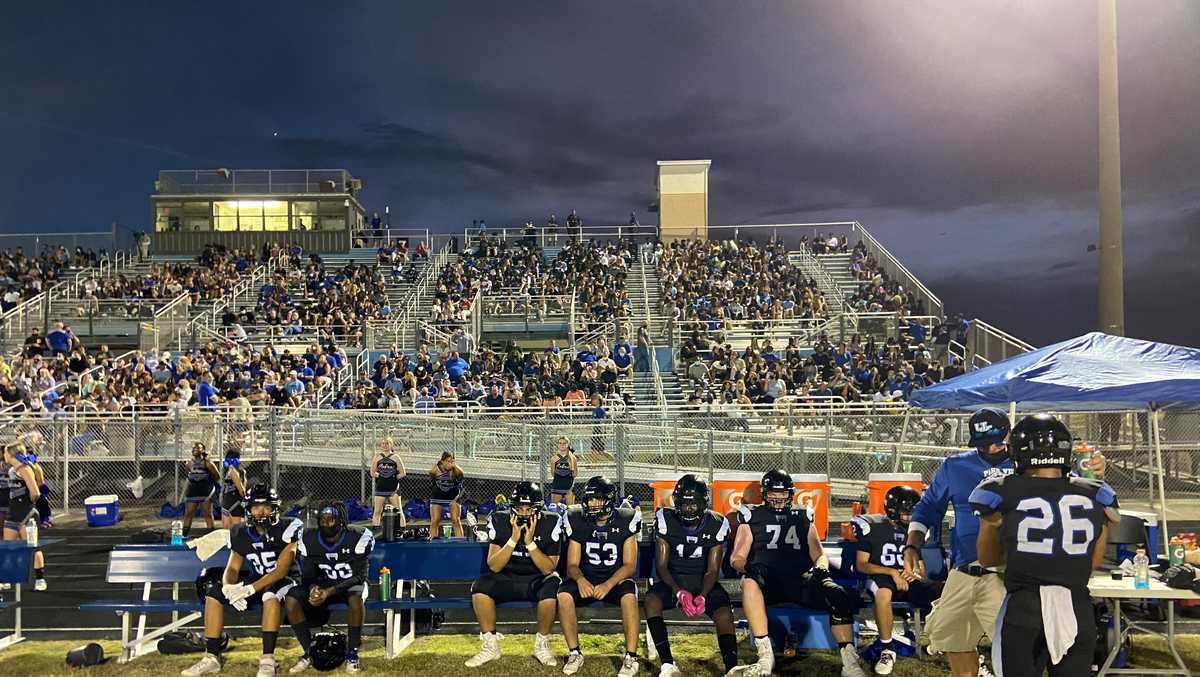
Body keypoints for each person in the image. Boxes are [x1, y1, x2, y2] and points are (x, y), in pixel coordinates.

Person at [904, 407, 1107, 677]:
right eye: (982, 443)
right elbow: (928, 507)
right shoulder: (955, 466)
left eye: (997, 441)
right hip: (964, 570)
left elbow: (1065, 488)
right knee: (952, 637)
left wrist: (1092, 471)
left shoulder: (1029, 465)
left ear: (1012, 437)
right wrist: (912, 544)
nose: (990, 448)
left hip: (1009, 574)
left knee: (1018, 656)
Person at [970, 414, 1119, 677]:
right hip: (1076, 605)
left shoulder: (998, 491)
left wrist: (995, 526)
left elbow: (988, 558)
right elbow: (1094, 562)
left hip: (1026, 607)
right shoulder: (1096, 492)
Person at [730, 469, 867, 677]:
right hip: (768, 582)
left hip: (800, 580)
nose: (777, 498)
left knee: (836, 593)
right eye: (773, 494)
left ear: (790, 493)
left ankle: (849, 660)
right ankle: (765, 657)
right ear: (764, 494)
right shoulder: (752, 516)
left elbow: (818, 554)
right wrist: (749, 568)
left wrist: (822, 568)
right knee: (749, 583)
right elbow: (736, 558)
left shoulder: (803, 515)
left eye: (782, 493)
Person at [182, 483, 302, 677]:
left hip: (287, 581)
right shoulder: (241, 533)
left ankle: (268, 659)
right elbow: (232, 568)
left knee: (270, 595)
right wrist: (229, 588)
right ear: (248, 510)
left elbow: (281, 571)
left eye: (266, 507)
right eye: (255, 507)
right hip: (257, 581)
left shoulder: (288, 528)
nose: (261, 512)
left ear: (275, 508)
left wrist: (249, 590)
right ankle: (211, 656)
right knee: (214, 594)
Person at [645, 474, 737, 676]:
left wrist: (703, 595)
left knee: (723, 613)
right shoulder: (666, 520)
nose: (688, 509)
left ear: (703, 504)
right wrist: (678, 592)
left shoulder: (716, 524)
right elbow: (661, 565)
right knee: (651, 601)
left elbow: (712, 570)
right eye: (684, 504)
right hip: (673, 580)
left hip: (703, 581)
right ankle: (668, 664)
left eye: (693, 505)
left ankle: (732, 667)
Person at [465, 481, 562, 669]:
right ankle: (490, 646)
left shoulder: (551, 521)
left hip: (537, 578)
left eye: (529, 508)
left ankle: (541, 645)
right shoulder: (500, 520)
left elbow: (548, 569)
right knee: (480, 587)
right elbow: (494, 565)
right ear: (512, 507)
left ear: (538, 508)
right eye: (519, 508)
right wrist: (513, 539)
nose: (524, 513)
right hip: (507, 576)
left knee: (553, 586)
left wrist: (529, 542)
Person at [558, 476, 643, 676]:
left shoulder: (626, 519)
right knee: (563, 596)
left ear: (609, 500)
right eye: (589, 499)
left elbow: (630, 566)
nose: (592, 504)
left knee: (629, 596)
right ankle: (575, 652)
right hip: (587, 578)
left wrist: (608, 584)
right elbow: (572, 564)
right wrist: (580, 580)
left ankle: (631, 656)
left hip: (616, 579)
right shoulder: (577, 519)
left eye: (597, 499)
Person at [852, 486, 937, 675]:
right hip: (880, 575)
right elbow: (862, 564)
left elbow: (920, 567)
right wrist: (892, 572)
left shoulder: (915, 533)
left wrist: (913, 572)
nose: (910, 518)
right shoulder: (873, 528)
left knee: (941, 594)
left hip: (906, 577)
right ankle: (887, 648)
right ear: (892, 510)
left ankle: (941, 639)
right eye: (907, 513)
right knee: (883, 594)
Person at [285, 501, 374, 674]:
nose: (326, 523)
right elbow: (309, 576)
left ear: (341, 521)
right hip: (324, 584)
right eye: (323, 519)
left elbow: (359, 577)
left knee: (355, 601)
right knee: (291, 599)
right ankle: (309, 651)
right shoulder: (310, 540)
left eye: (330, 519)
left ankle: (352, 653)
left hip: (350, 584)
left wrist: (329, 592)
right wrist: (313, 589)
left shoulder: (357, 537)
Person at [4, 440, 46, 591]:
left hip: (26, 513)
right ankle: (7, 578)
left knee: (32, 547)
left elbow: (36, 492)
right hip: (13, 512)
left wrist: (28, 506)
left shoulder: (25, 469)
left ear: (11, 454)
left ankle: (40, 579)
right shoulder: (12, 470)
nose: (3, 455)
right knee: (8, 547)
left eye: (5, 452)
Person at [181, 442, 220, 536]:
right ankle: (184, 535)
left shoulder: (209, 463)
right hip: (193, 491)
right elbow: (189, 474)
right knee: (188, 514)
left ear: (203, 450)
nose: (195, 449)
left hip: (205, 492)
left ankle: (212, 536)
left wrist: (207, 482)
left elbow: (217, 476)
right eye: (194, 448)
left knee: (208, 514)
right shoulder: (188, 463)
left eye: (198, 448)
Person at [370, 437, 407, 530]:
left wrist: (394, 477)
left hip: (393, 489)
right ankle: (376, 530)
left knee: (398, 510)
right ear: (381, 445)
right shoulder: (377, 457)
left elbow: (403, 473)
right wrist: (380, 476)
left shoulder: (396, 457)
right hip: (381, 488)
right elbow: (372, 472)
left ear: (391, 445)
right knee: (377, 511)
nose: (385, 445)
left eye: (387, 443)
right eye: (383, 443)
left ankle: (402, 530)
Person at [428, 452, 464, 538]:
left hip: (453, 497)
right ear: (442, 461)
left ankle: (459, 543)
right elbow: (431, 484)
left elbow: (462, 488)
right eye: (447, 461)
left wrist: (456, 499)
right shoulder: (435, 470)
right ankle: (433, 542)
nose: (450, 464)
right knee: (435, 520)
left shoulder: (457, 471)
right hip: (437, 497)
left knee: (456, 520)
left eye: (452, 461)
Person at [219, 448, 247, 529]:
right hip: (227, 501)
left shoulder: (234, 471)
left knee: (235, 529)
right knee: (226, 528)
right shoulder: (227, 471)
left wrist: (244, 500)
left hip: (234, 502)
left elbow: (242, 490)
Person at [548, 436, 578, 506]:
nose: (562, 445)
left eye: (564, 443)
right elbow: (553, 473)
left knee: (570, 511)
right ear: (558, 445)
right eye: (560, 443)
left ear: (568, 444)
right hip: (557, 487)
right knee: (554, 510)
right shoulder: (554, 458)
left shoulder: (573, 458)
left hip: (569, 488)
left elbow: (575, 473)